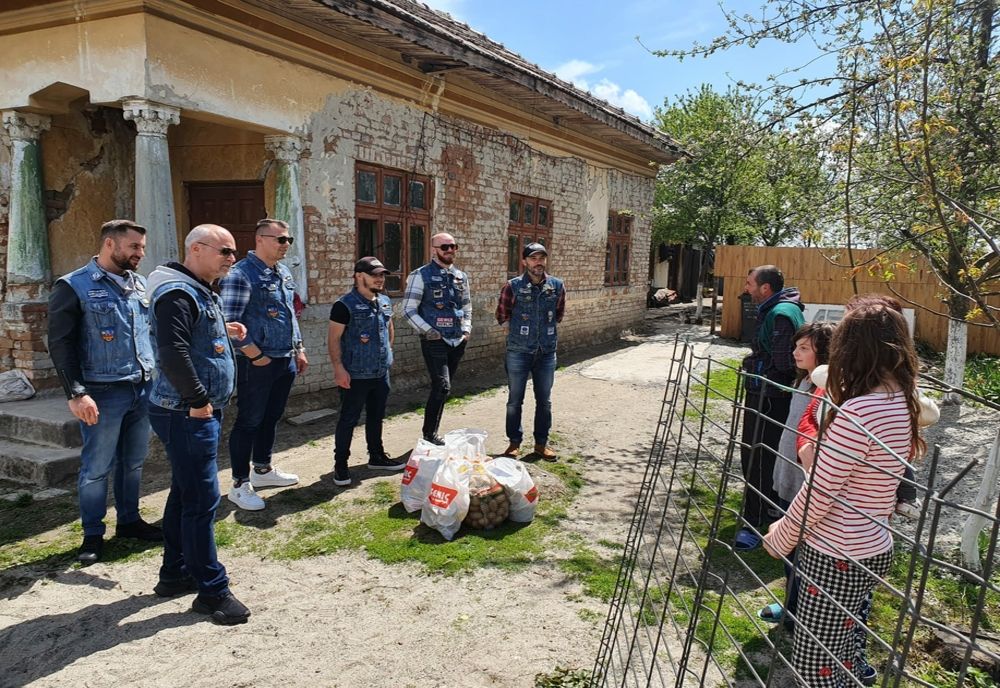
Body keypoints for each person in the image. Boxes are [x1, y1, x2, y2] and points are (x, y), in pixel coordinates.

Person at [762, 303, 925, 687]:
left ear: (853, 348)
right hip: (871, 541)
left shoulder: (860, 411)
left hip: (836, 553)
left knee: (816, 662)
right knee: (845, 653)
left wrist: (781, 538)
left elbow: (821, 490)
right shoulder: (902, 398)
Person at [146, 225, 250, 625]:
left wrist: (226, 331)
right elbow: (172, 352)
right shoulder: (177, 292)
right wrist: (198, 401)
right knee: (202, 501)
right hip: (185, 411)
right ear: (196, 249)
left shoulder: (199, 288)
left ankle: (175, 572)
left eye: (233, 252)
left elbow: (194, 339)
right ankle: (212, 592)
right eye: (224, 251)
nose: (231, 258)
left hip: (192, 409)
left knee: (186, 492)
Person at [47, 219, 161, 564]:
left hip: (142, 388)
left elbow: (150, 334)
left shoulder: (139, 284)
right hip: (102, 392)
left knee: (133, 463)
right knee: (96, 467)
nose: (140, 253)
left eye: (142, 247)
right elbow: (61, 343)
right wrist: (76, 392)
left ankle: (129, 522)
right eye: (134, 247)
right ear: (110, 244)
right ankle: (92, 535)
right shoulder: (73, 286)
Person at [219, 219, 306, 511]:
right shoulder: (240, 274)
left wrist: (299, 348)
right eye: (281, 240)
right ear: (260, 240)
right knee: (249, 421)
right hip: (256, 362)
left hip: (284, 357)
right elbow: (228, 323)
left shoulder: (281, 272)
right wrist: (255, 355)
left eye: (288, 240)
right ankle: (239, 484)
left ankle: (263, 470)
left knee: (271, 417)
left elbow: (290, 314)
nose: (286, 245)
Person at [757, 323, 834, 634]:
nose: (795, 352)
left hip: (807, 481)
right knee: (792, 553)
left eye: (804, 348)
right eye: (796, 346)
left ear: (824, 353)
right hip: (789, 470)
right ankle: (793, 602)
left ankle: (798, 611)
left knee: (800, 550)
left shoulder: (828, 388)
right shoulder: (804, 381)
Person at [736, 265, 805, 551]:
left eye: (750, 283)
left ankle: (755, 521)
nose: (746, 288)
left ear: (765, 288)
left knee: (758, 455)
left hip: (770, 396)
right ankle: (770, 509)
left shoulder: (780, 315)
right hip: (768, 392)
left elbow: (785, 364)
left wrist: (755, 368)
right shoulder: (780, 309)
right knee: (763, 454)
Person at [328, 257, 403, 485]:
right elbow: (333, 340)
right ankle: (341, 464)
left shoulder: (384, 301)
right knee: (348, 419)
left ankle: (377, 456)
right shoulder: (344, 305)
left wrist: (388, 351)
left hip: (380, 373)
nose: (380, 279)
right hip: (355, 375)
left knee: (376, 416)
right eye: (374, 275)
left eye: (382, 275)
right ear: (359, 276)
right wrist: (339, 368)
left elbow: (389, 327)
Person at [495, 242, 566, 460]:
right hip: (519, 352)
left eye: (542, 258)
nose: (538, 262)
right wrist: (518, 335)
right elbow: (501, 315)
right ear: (525, 261)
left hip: (546, 352)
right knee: (515, 400)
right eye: (534, 258)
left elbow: (559, 314)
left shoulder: (556, 285)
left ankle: (540, 444)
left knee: (544, 401)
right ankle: (514, 443)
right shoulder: (513, 286)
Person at [402, 232, 472, 445]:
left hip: (457, 340)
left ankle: (432, 431)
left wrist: (467, 329)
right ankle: (429, 435)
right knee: (442, 385)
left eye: (453, 246)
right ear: (434, 250)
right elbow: (407, 309)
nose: (450, 250)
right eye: (445, 247)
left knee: (444, 389)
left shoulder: (461, 276)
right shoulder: (420, 275)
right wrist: (428, 331)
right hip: (435, 341)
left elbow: (467, 305)